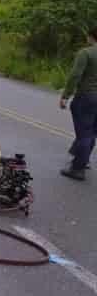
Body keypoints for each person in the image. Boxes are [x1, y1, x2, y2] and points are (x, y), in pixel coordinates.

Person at [60, 27, 97, 181]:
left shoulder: (86, 53)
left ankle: (78, 168)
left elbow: (75, 75)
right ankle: (82, 158)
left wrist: (66, 95)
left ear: (91, 37)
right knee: (92, 131)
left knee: (84, 133)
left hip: (86, 97)